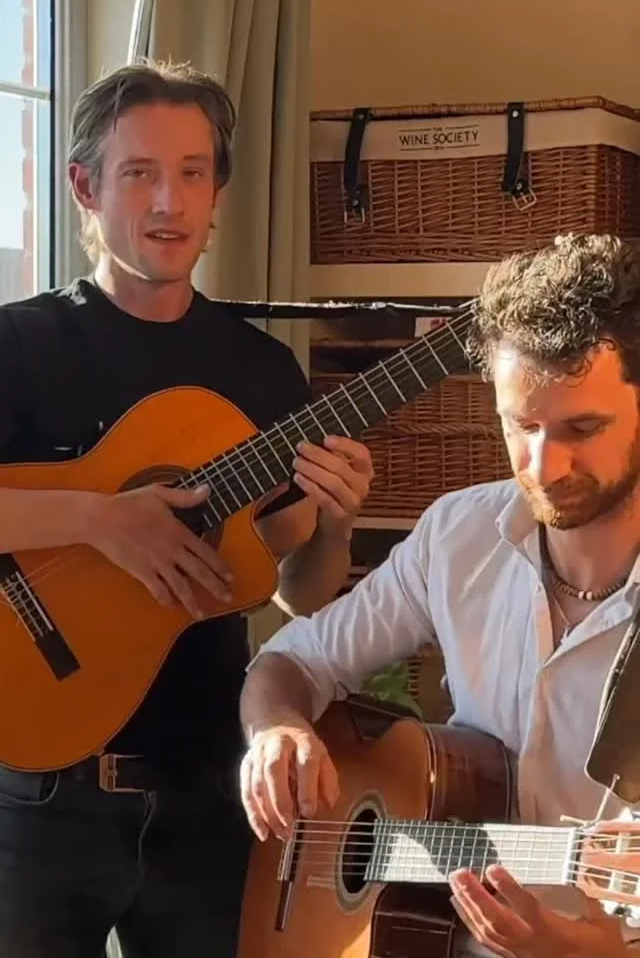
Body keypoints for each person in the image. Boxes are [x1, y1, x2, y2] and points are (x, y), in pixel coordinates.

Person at [0, 58, 373, 957]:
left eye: (193, 173)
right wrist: (98, 519)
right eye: (140, 173)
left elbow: (297, 593)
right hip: (38, 795)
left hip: (209, 791)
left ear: (217, 194)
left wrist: (335, 523)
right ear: (85, 187)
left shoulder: (264, 373)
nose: (170, 202)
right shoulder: (20, 344)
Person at [240, 231, 640, 958]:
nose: (543, 465)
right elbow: (291, 661)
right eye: (521, 425)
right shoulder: (460, 533)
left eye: (582, 428)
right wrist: (277, 729)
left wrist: (596, 950)